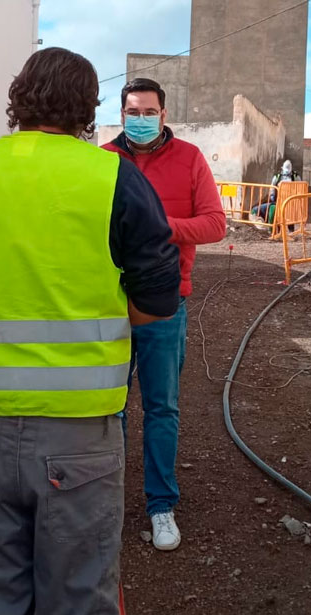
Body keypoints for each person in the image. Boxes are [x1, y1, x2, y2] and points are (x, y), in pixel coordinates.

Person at [0, 48, 180, 615]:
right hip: (80, 439)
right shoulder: (111, 177)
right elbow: (159, 298)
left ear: (18, 98)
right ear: (88, 107)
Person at [101, 77, 226, 551]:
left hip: (165, 301)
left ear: (163, 114)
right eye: (133, 111)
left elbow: (215, 224)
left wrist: (156, 228)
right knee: (108, 406)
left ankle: (160, 505)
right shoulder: (103, 160)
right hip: (107, 302)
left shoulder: (190, 159)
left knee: (162, 406)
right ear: (122, 113)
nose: (141, 118)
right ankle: (107, 501)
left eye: (149, 111)